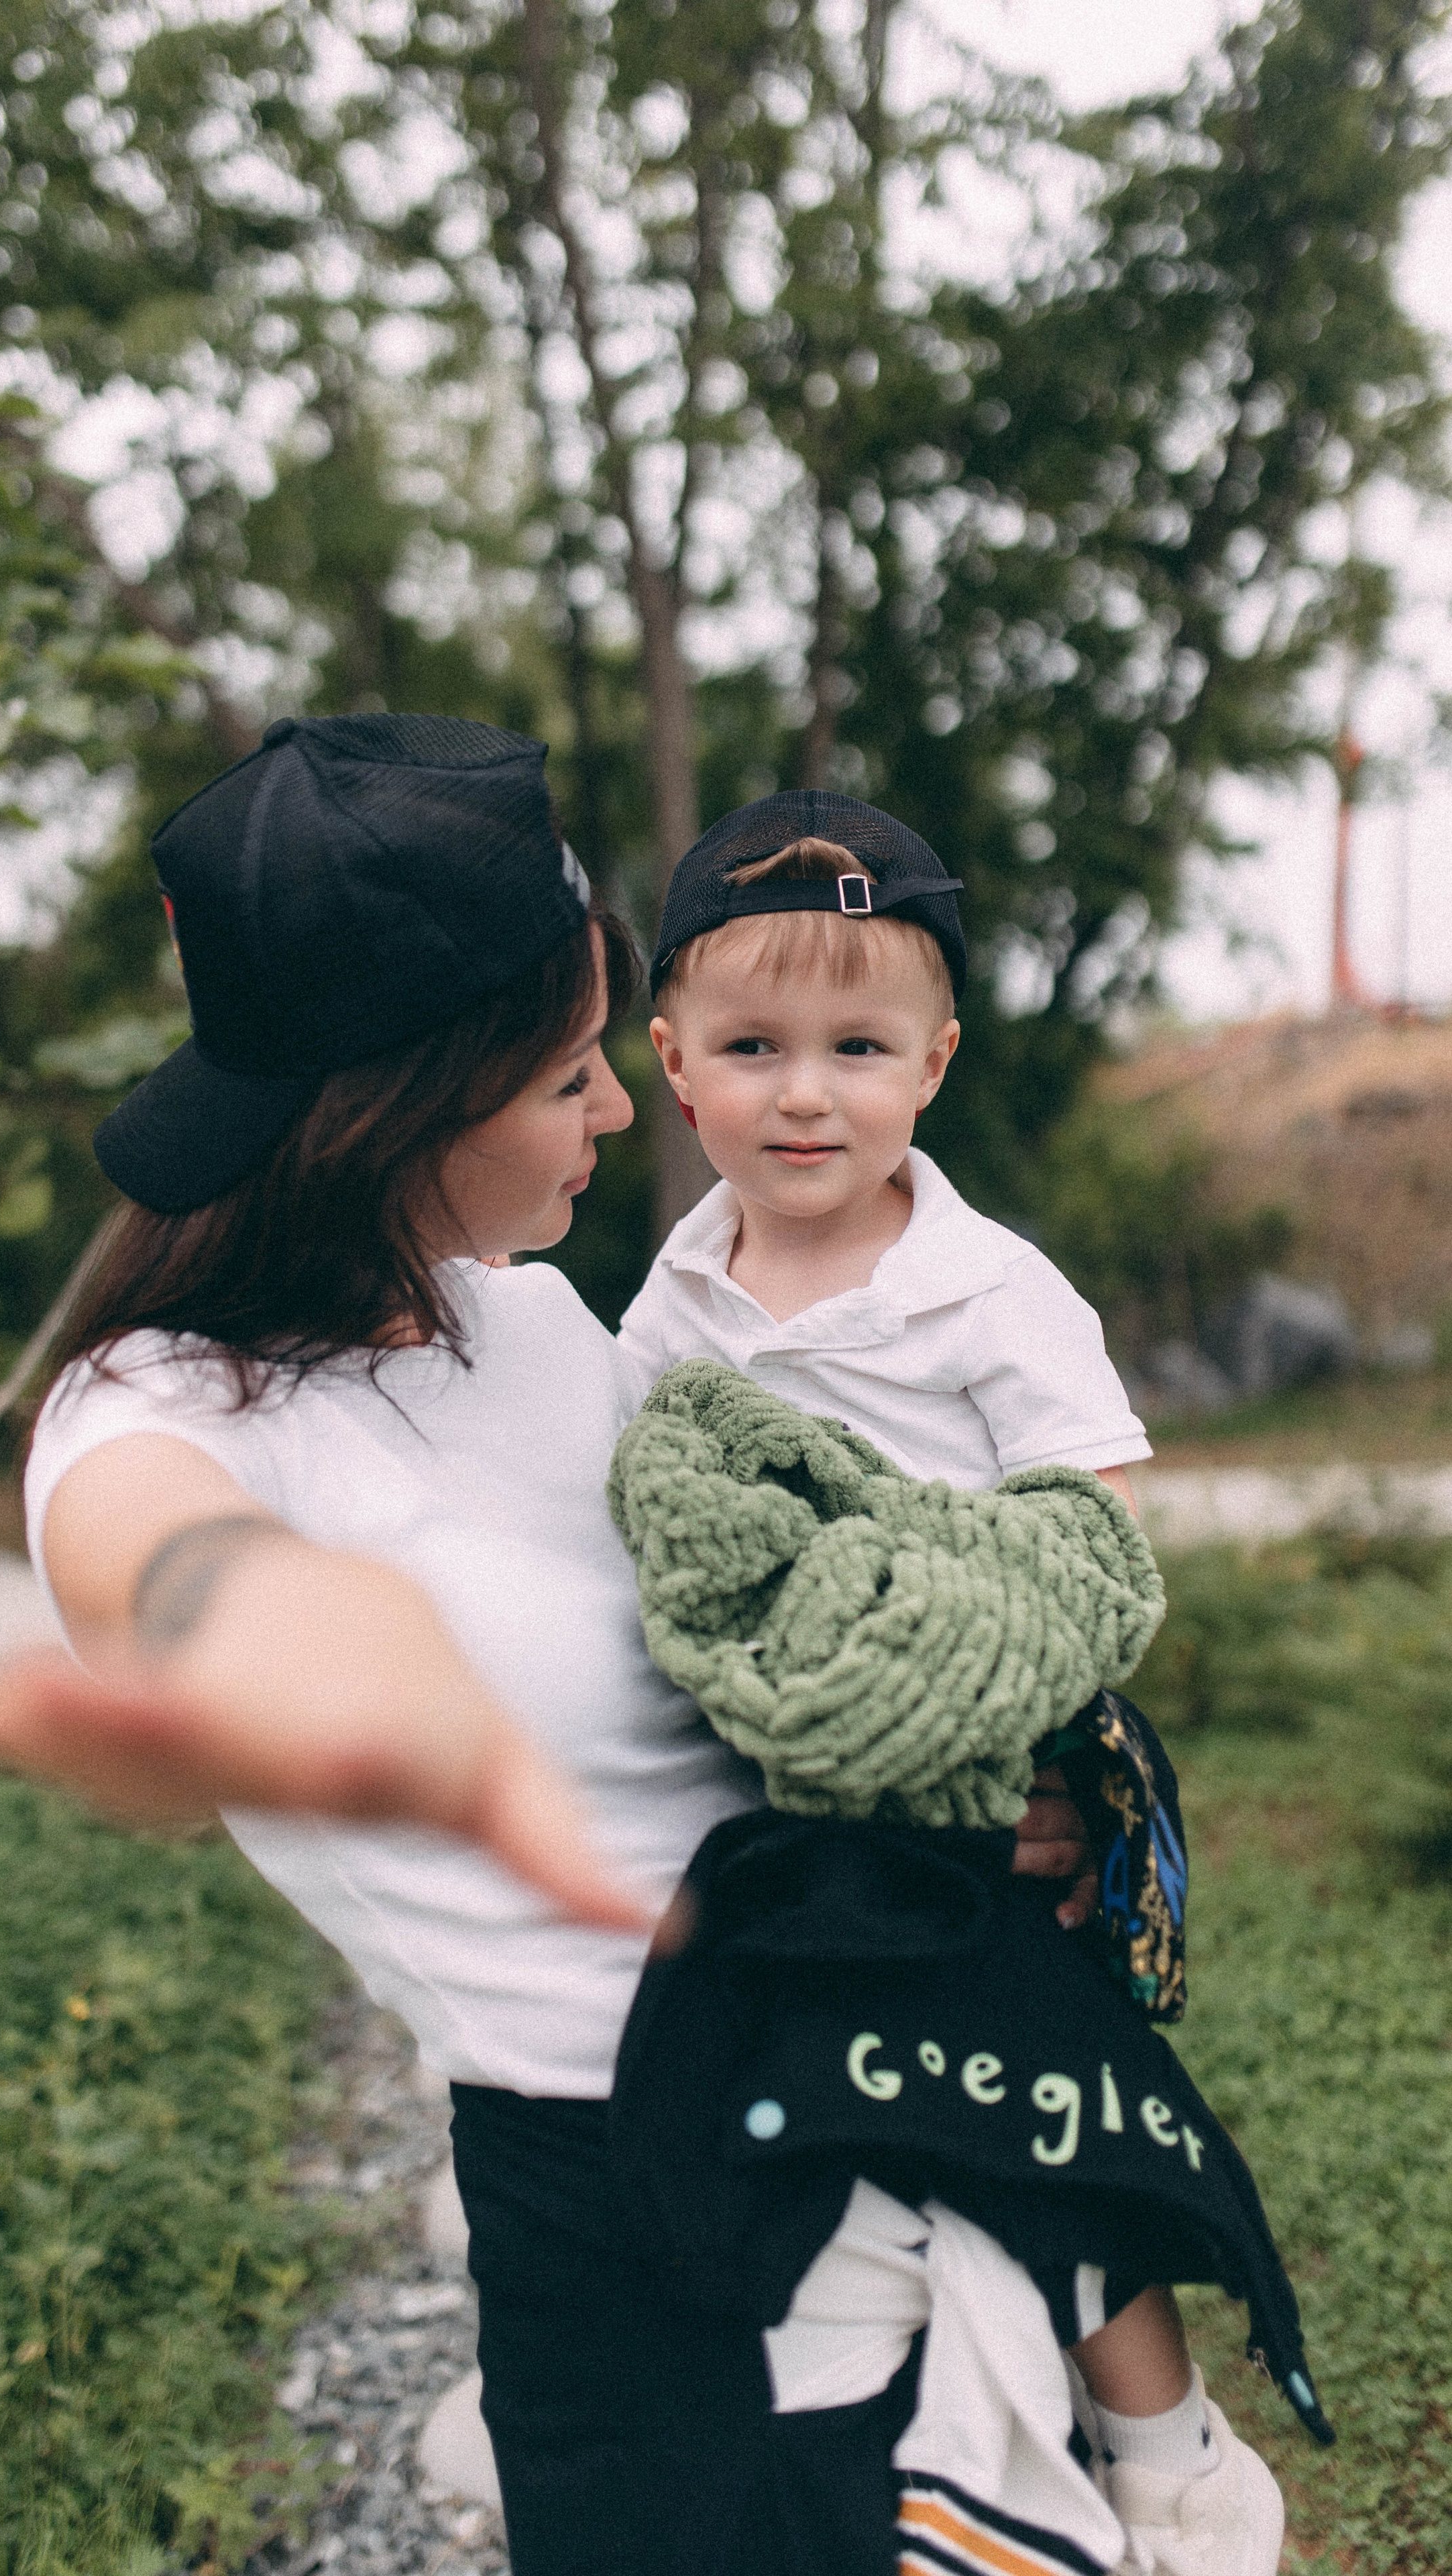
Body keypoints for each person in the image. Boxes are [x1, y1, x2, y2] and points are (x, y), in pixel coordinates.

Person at [0, 713, 1103, 2576]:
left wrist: (955, 1789)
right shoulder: (154, 1417)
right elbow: (186, 1570)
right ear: (393, 1111)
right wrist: (295, 1650)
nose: (625, 1113)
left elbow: (742, 1642)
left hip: (884, 2073)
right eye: (564, 1077)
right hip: (638, 2210)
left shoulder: (531, 1328)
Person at [617, 792, 1288, 2576]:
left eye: (857, 1047)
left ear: (935, 1066)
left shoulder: (990, 1295)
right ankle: (768, 2397)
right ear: (674, 1065)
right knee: (768, 2095)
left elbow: (1095, 1536)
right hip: (777, 1776)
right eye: (754, 1047)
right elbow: (669, 1533)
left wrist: (958, 1672)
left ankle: (1170, 2443)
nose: (806, 1092)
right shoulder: (670, 1310)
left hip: (986, 1751)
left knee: (1025, 2098)